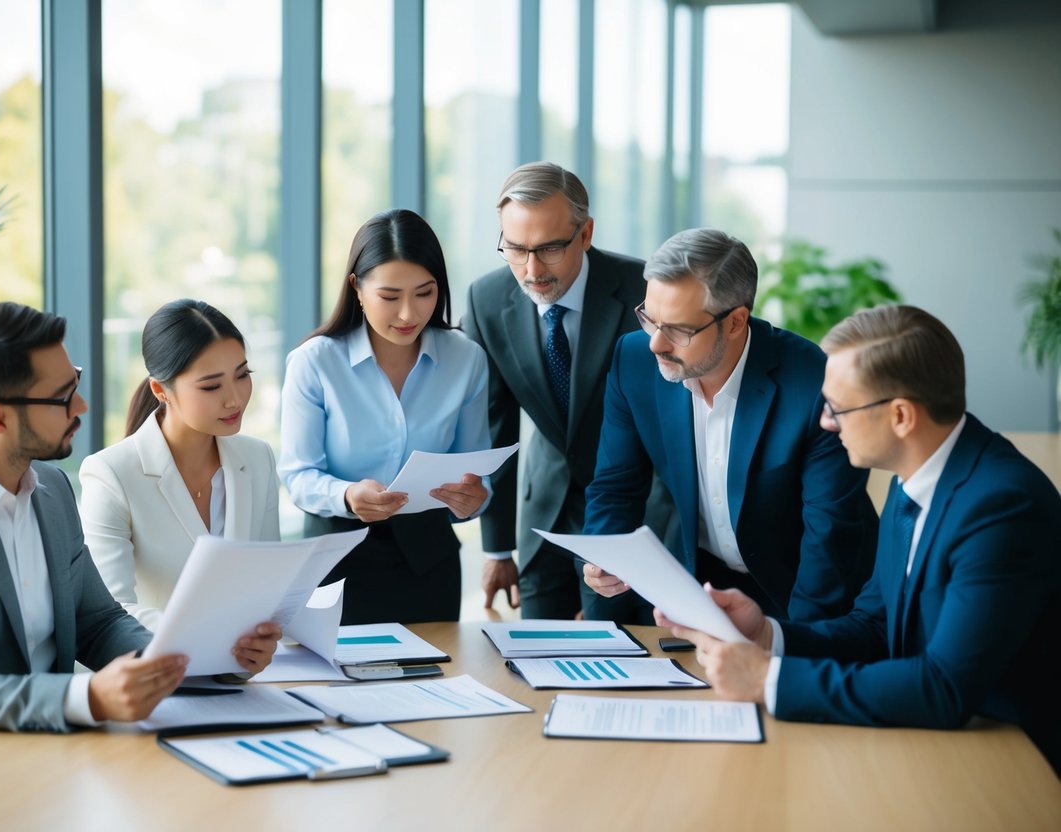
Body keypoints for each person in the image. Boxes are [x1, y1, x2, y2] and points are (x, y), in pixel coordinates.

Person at [0, 302, 281, 784]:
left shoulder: (51, 489)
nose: (82, 407)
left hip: (42, 758)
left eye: (73, 383)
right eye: (60, 398)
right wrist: (89, 697)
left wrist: (210, 658)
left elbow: (98, 623)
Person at [663, 305, 1060, 773]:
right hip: (927, 742)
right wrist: (768, 634)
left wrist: (769, 679)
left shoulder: (1003, 507)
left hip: (1011, 764)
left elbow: (943, 687)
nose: (826, 422)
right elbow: (874, 626)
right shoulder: (914, 475)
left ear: (900, 416)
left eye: (839, 407)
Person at [582, 228, 877, 624]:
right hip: (694, 584)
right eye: (650, 319)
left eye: (679, 330)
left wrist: (786, 652)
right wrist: (606, 559)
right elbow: (614, 487)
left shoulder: (814, 383)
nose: (656, 344)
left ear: (737, 321)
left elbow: (829, 540)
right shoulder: (634, 359)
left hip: (800, 593)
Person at [463, 162, 676, 619]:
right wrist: (497, 549)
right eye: (516, 249)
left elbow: (673, 432)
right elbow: (496, 429)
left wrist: (650, 547)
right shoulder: (485, 299)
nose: (531, 270)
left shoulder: (646, 292)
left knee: (615, 669)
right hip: (544, 521)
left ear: (585, 233)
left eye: (550, 248)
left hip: (630, 518)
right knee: (532, 668)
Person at [278, 209, 491, 625]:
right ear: (356, 288)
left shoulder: (466, 359)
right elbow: (299, 475)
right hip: (333, 563)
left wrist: (475, 498)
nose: (409, 314)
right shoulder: (315, 362)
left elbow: (476, 468)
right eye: (390, 297)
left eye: (425, 293)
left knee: (434, 682)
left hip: (430, 564)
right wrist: (346, 495)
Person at [79, 299, 279, 629]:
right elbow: (111, 612)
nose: (235, 398)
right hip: (157, 669)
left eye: (242, 375)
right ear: (161, 390)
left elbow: (270, 582)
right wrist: (214, 633)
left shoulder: (258, 458)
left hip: (246, 670)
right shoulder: (110, 475)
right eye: (212, 386)